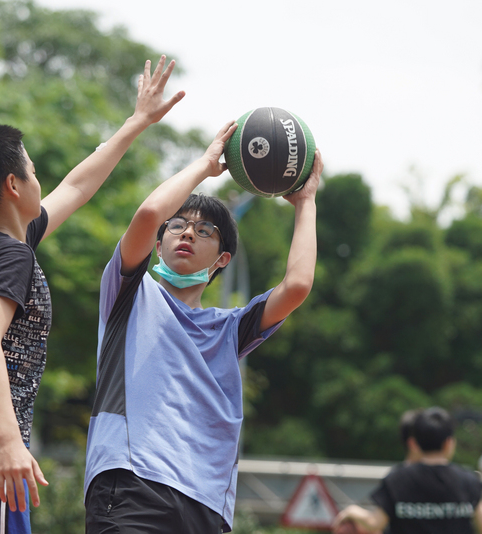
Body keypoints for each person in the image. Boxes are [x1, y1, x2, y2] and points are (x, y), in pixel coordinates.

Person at [0, 56, 185, 534]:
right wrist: (9, 443)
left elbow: (76, 185)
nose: (41, 181)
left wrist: (137, 122)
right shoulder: (12, 256)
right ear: (13, 186)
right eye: (32, 171)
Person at [83, 114, 323, 533]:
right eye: (178, 226)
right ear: (159, 245)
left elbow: (298, 285)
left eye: (205, 230)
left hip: (207, 504)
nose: (188, 233)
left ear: (222, 260)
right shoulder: (129, 295)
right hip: (132, 483)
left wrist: (306, 203)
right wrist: (206, 165)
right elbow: (148, 213)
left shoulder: (230, 330)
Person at [333, 407, 482, 534]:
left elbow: (374, 523)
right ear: (448, 443)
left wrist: (352, 512)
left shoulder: (397, 480)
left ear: (416, 443)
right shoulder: (469, 481)